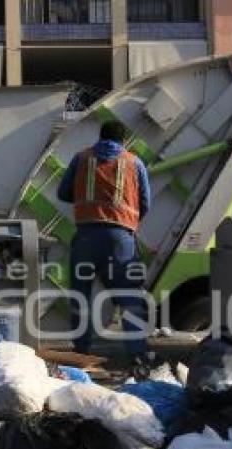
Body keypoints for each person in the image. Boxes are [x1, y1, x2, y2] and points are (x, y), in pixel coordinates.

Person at [57, 121, 152, 355]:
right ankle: (137, 354)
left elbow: (63, 192)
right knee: (130, 296)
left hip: (86, 237)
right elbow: (145, 202)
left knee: (81, 296)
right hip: (120, 239)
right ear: (123, 141)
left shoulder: (81, 158)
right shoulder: (134, 162)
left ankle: (82, 350)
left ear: (100, 137)